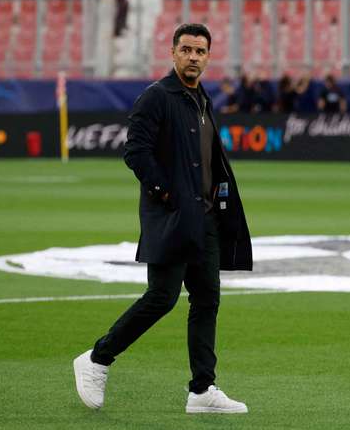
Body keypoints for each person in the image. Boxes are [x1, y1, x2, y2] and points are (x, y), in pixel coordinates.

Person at [73, 23, 252, 415]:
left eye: (200, 51)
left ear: (208, 57)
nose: (193, 57)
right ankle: (97, 358)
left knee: (207, 301)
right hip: (174, 217)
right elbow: (136, 152)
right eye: (186, 49)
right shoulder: (156, 97)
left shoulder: (202, 99)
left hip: (205, 219)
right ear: (172, 53)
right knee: (162, 297)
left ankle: (203, 389)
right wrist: (166, 193)